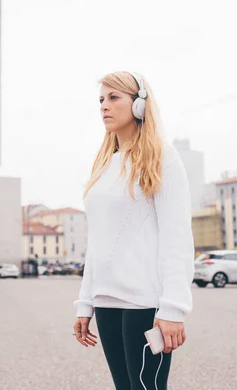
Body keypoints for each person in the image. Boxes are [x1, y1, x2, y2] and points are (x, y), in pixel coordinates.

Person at [72, 71, 194, 390]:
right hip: (106, 302)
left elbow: (176, 236)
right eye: (101, 99)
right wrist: (85, 303)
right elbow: (97, 241)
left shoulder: (162, 157)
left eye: (114, 98)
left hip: (146, 303)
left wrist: (174, 308)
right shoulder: (105, 164)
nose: (104, 106)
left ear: (139, 105)